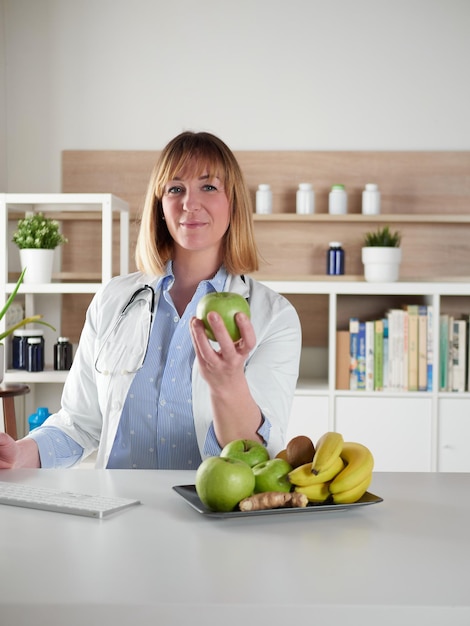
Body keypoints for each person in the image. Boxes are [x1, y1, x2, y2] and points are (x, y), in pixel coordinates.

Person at [0, 131, 301, 470]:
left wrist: (228, 383)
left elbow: (257, 454)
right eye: (175, 188)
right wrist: (20, 453)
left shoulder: (274, 318)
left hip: (210, 517)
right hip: (117, 513)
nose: (190, 203)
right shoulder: (112, 301)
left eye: (209, 186)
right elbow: (79, 422)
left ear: (233, 202)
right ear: (159, 204)